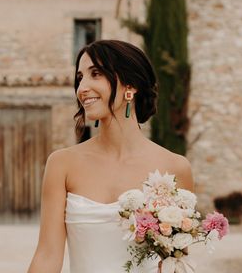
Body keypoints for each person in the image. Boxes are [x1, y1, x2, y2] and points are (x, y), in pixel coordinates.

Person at [27, 40, 194, 273]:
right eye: (79, 78)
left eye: (95, 74)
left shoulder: (176, 167)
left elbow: (176, 262)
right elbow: (47, 256)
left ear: (131, 85)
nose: (82, 88)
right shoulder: (62, 164)